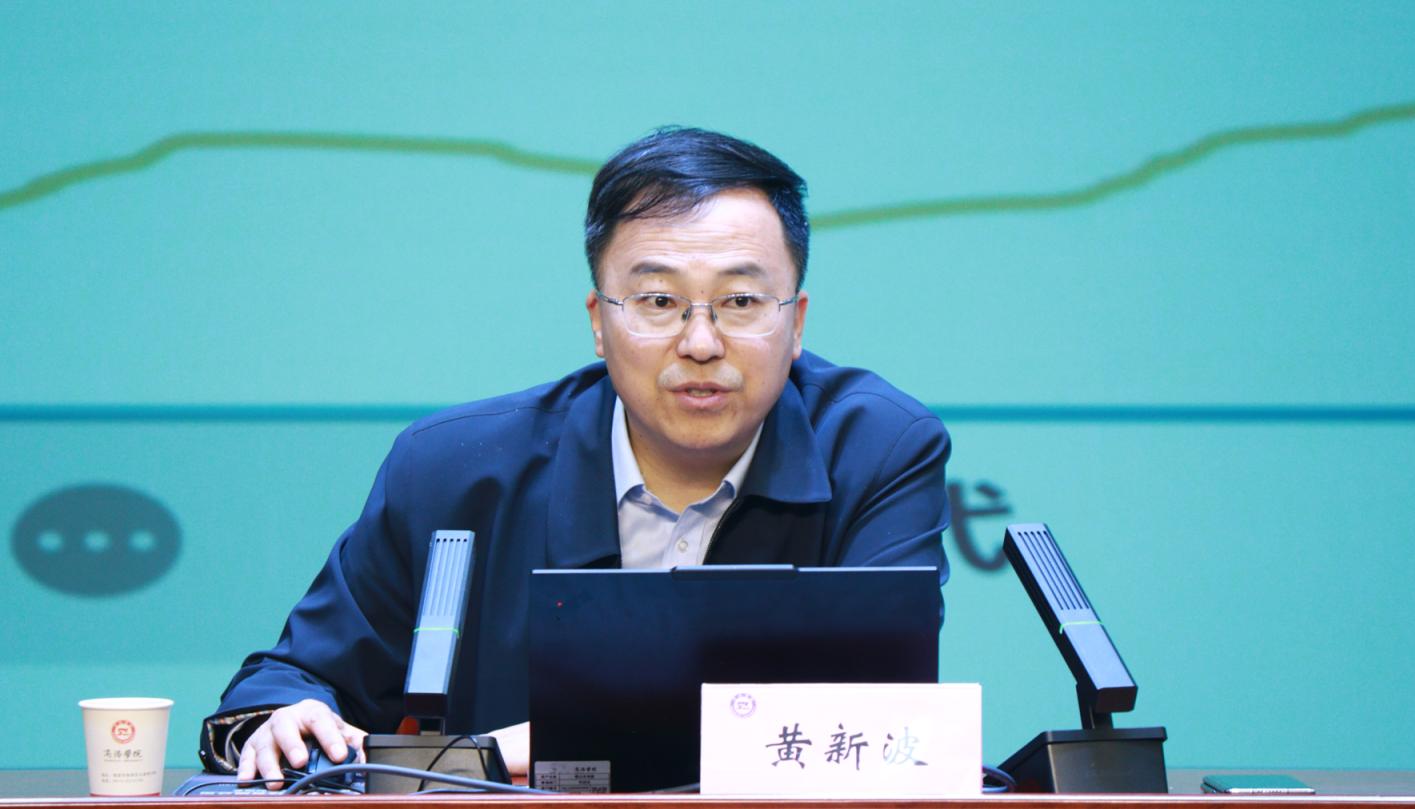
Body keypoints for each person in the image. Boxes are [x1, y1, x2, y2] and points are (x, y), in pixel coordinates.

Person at [200, 126, 952, 786]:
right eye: (658, 302)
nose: (700, 342)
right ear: (599, 321)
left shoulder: (877, 449)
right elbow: (287, 682)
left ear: (797, 323)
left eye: (741, 302)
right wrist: (285, 720)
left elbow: (885, 729)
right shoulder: (452, 469)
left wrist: (519, 749)